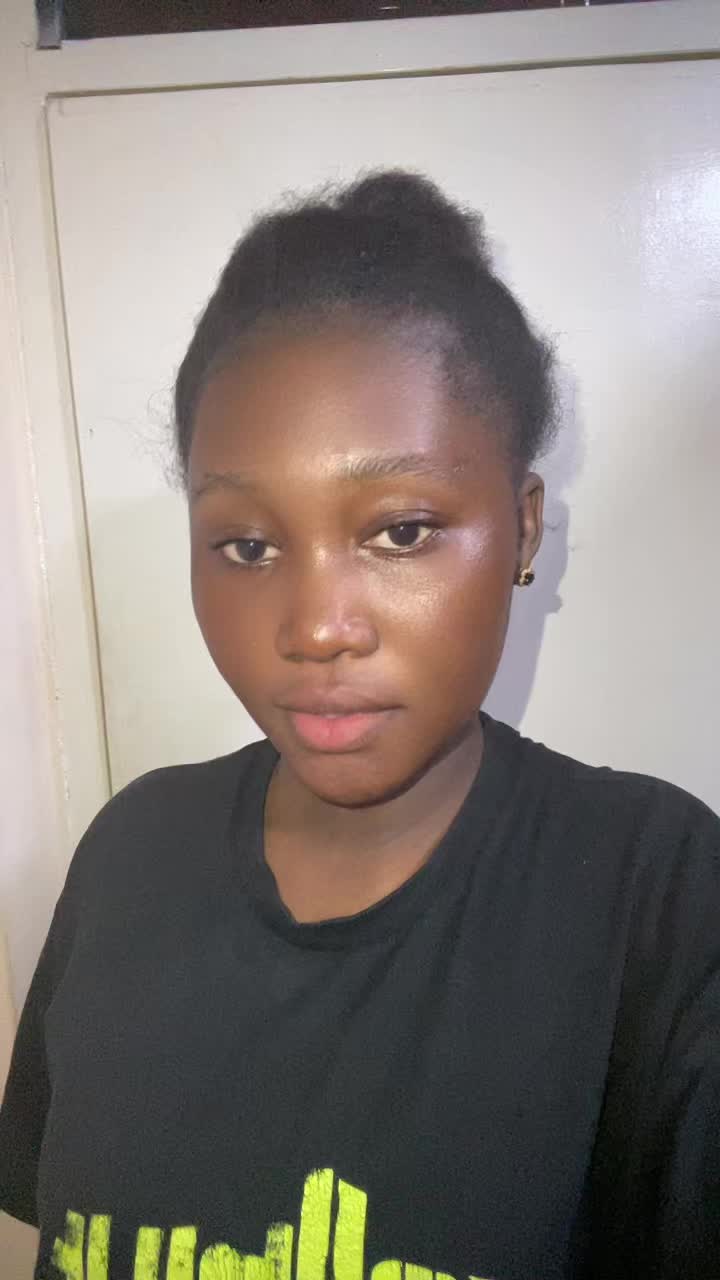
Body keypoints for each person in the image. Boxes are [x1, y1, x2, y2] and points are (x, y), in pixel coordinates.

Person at [0, 170, 718, 1280]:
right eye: (247, 545)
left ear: (524, 527)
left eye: (401, 531)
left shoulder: (658, 895)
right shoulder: (130, 851)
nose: (317, 628)